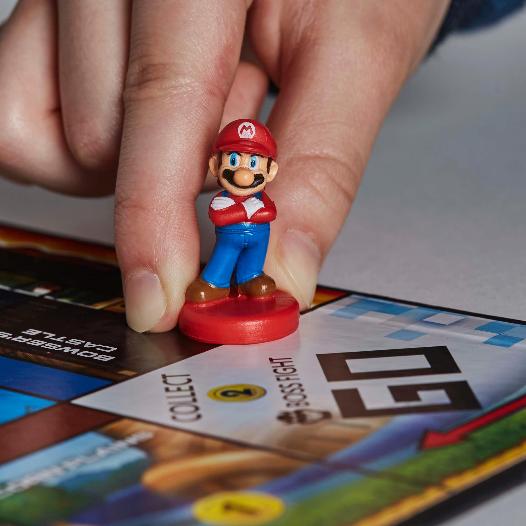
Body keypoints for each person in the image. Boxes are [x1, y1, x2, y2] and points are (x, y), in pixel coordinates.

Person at [0, 0, 523, 333]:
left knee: (251, 267)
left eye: (252, 163)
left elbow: (265, 217)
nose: (244, 171)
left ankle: (250, 282)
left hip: (253, 243)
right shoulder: (231, 201)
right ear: (217, 163)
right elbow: (224, 217)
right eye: (234, 161)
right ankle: (215, 284)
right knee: (222, 264)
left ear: (270, 173)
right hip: (232, 240)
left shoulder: (263, 201)